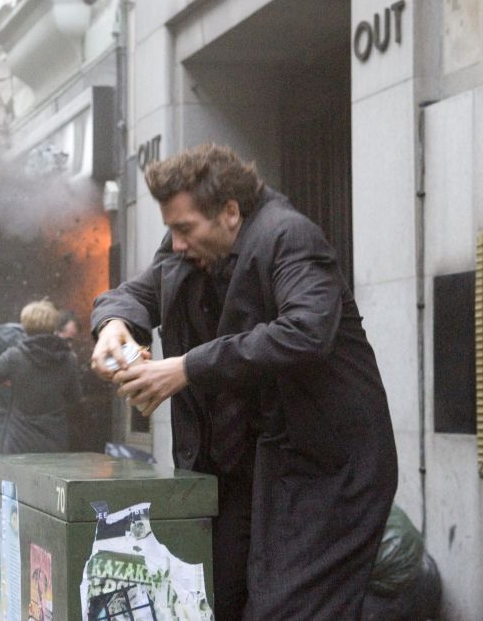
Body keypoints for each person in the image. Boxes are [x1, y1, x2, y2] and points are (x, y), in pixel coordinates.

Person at [90, 143, 398, 620]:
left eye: (185, 228)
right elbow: (135, 293)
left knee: (289, 611)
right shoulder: (186, 250)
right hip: (243, 475)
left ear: (230, 212)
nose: (176, 243)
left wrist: (186, 367)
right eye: (172, 229)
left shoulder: (290, 236)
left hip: (323, 474)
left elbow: (305, 332)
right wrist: (114, 325)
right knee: (217, 602)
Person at [0, 300, 82, 598]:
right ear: (53, 328)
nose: (68, 346)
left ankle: (15, 575)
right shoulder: (11, 335)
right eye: (68, 339)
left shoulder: (58, 356)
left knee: (22, 501)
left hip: (21, 432)